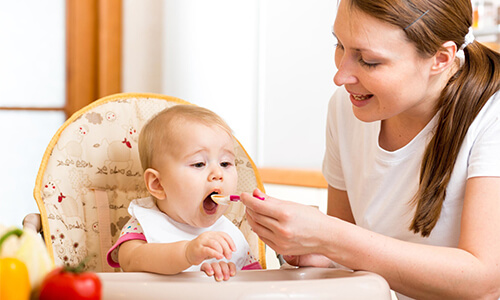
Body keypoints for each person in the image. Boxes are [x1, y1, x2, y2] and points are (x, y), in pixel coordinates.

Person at [240, 0, 500, 299]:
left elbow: (484, 283)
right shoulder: (347, 108)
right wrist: (318, 251)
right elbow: (350, 252)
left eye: (369, 61)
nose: (340, 77)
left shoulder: (492, 117)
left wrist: (329, 236)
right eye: (340, 45)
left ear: (441, 58)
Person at [106, 105, 261, 281]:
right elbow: (131, 260)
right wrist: (186, 253)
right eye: (199, 164)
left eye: (225, 163)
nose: (218, 174)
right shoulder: (145, 225)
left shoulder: (230, 233)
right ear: (158, 184)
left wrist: (230, 275)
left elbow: (254, 285)